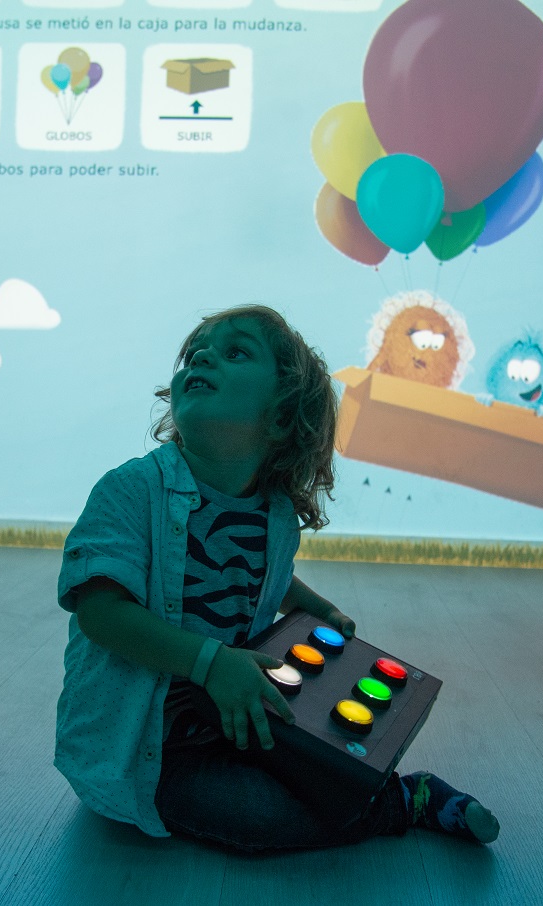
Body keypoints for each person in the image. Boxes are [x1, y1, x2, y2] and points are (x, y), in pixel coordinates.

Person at [54, 304, 500, 853]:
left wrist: (317, 609)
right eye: (196, 352)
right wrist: (212, 663)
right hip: (151, 747)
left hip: (233, 713)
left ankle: (365, 792)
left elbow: (267, 577)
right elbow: (100, 613)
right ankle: (403, 802)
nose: (203, 357)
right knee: (261, 815)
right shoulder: (127, 492)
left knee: (327, 775)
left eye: (235, 351)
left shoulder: (274, 514)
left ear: (282, 418)